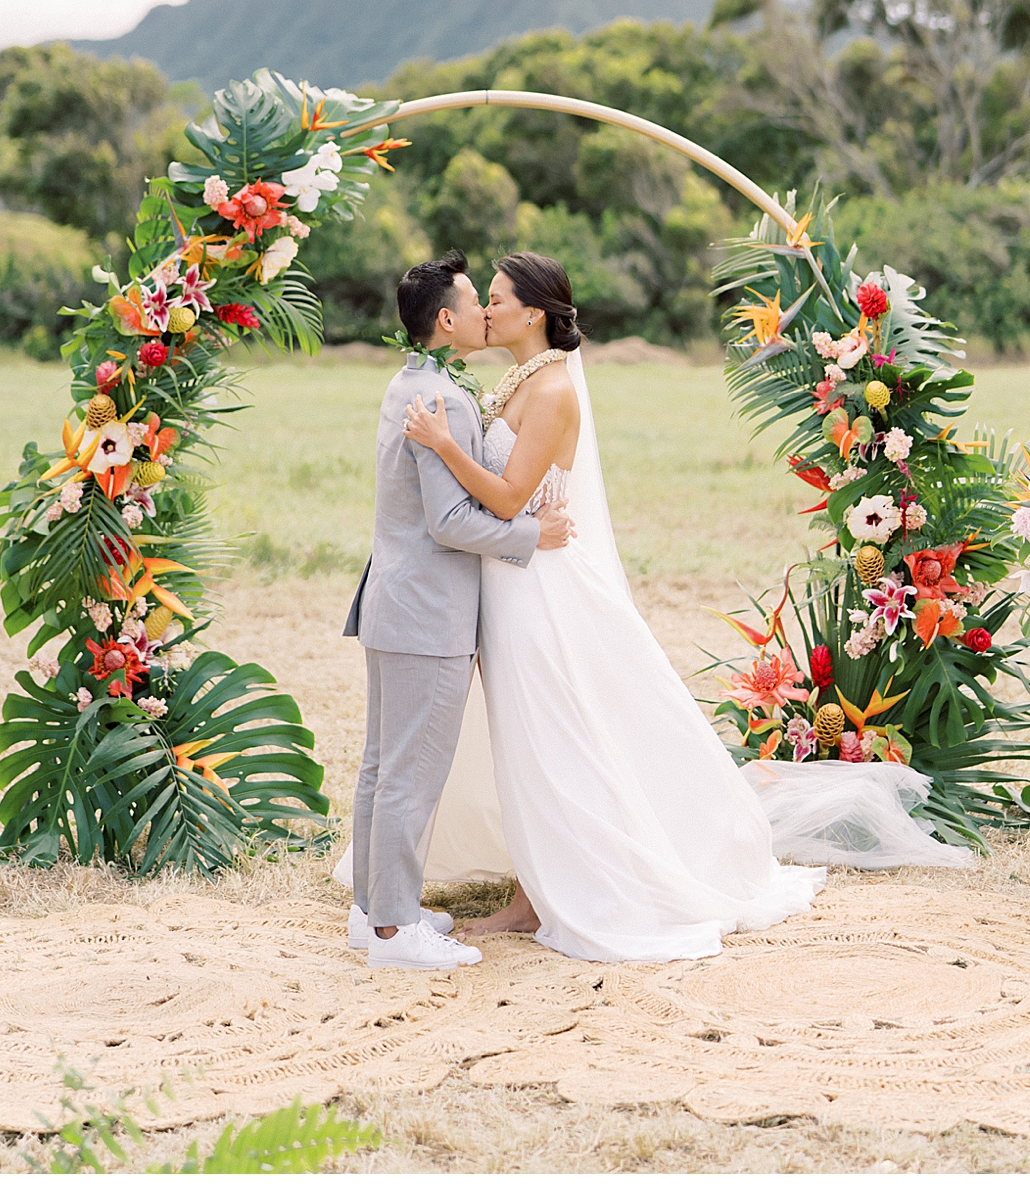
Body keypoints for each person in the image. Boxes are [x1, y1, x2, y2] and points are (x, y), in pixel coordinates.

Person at [403, 250, 824, 962]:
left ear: (533, 312)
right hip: (510, 578)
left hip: (537, 588)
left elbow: (507, 498)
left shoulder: (554, 392)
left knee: (548, 733)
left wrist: (444, 444)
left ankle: (544, 895)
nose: (487, 310)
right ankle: (532, 891)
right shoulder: (520, 379)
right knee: (528, 734)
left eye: (499, 299)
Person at [343, 249, 574, 972]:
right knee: (408, 774)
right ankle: (391, 936)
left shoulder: (412, 380)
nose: (484, 312)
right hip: (427, 614)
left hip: (395, 603)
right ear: (446, 320)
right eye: (475, 302)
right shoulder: (442, 399)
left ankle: (375, 913)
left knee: (383, 767)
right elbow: (450, 521)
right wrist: (533, 535)